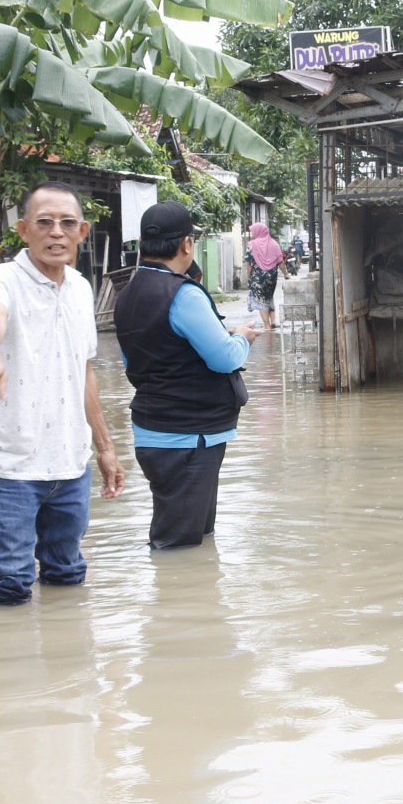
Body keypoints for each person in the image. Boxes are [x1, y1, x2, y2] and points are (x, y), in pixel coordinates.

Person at [0, 181, 125, 605]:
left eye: (67, 223)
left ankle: (69, 666)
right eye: (44, 223)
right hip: (12, 469)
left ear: (82, 231)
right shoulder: (1, 279)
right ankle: (7, 666)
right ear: (23, 230)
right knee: (10, 582)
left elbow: (84, 369)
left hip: (72, 466)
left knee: (68, 574)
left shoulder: (80, 288)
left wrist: (105, 448)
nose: (56, 232)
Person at [117, 201, 261, 550]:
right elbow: (224, 359)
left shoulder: (127, 294)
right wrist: (242, 336)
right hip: (189, 436)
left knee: (193, 536)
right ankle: (177, 602)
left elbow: (131, 363)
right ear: (186, 244)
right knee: (177, 546)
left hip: (154, 431)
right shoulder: (183, 295)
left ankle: (196, 600)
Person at [245, 221, 284, 330]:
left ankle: (267, 325)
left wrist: (248, 277)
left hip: (258, 278)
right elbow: (280, 261)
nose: (252, 234)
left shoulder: (252, 245)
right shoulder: (274, 243)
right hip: (272, 277)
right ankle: (273, 321)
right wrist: (286, 274)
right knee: (269, 297)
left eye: (253, 231)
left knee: (261, 301)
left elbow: (249, 264)